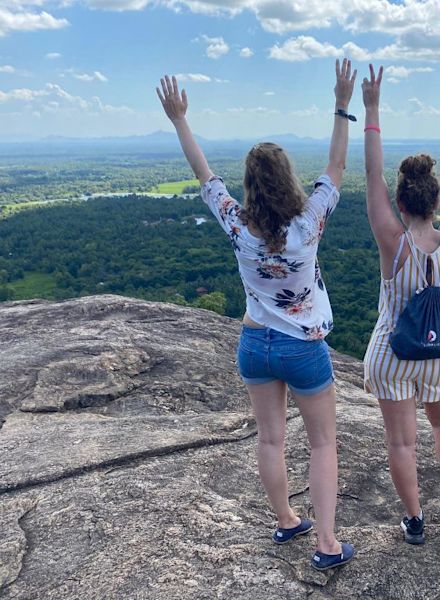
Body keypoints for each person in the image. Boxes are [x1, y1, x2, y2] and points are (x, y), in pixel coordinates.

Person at [156, 59, 358, 570]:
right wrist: (342, 104)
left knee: (270, 438)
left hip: (254, 343)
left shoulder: (236, 225)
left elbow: (204, 175)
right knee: (322, 444)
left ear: (249, 185)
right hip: (303, 346)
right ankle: (328, 544)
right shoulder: (308, 223)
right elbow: (336, 167)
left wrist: (180, 119)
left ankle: (287, 520)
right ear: (288, 179)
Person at [361, 62, 440, 545]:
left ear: (402, 205)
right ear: (435, 203)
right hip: (438, 352)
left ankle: (413, 520)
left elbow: (371, 175)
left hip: (393, 353)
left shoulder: (393, 242)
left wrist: (370, 108)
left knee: (402, 441)